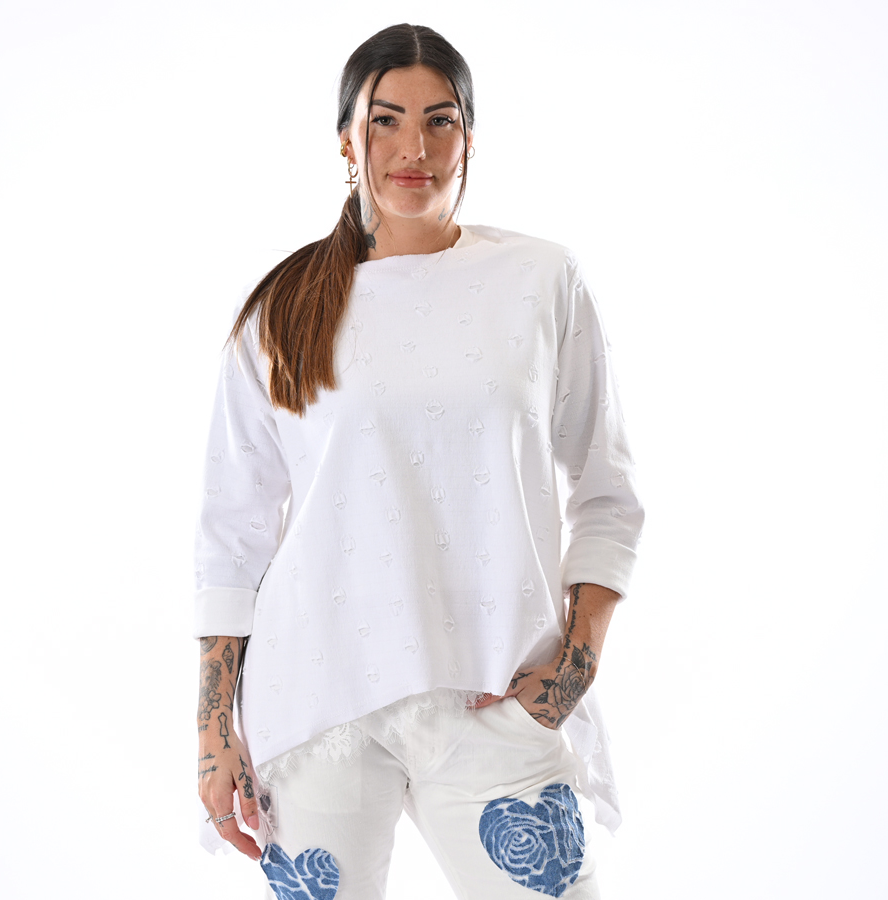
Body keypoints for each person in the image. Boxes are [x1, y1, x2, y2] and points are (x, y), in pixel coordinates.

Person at [195, 22, 643, 900]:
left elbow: (607, 488)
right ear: (346, 140)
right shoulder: (283, 309)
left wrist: (576, 664)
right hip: (314, 706)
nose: (415, 149)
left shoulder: (542, 280)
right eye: (387, 120)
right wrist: (214, 733)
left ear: (469, 137)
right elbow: (232, 537)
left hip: (495, 696)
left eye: (440, 120)